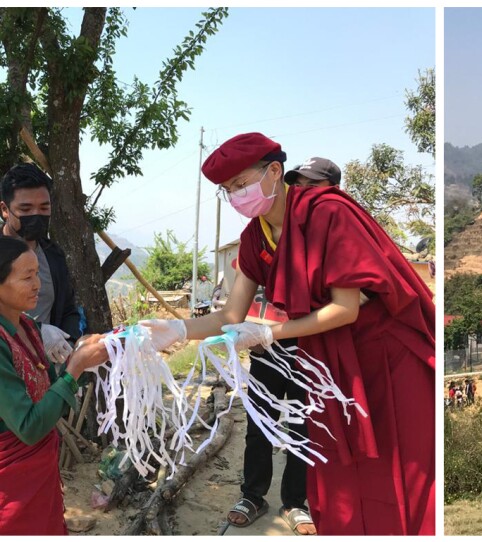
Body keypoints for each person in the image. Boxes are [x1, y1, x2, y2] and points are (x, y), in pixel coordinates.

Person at [139, 133, 435, 536]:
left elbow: (345, 309)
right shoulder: (255, 238)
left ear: (274, 172)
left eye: (241, 184)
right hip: (327, 360)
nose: (237, 196)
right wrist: (177, 329)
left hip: (383, 356)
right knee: (339, 470)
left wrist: (268, 334)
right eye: (229, 191)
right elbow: (230, 313)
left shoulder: (327, 212)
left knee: (399, 467)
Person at [0, 237, 109, 535]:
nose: (37, 284)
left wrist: (83, 355)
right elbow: (29, 425)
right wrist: (75, 368)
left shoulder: (28, 328)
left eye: (37, 273)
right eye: (26, 277)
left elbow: (50, 391)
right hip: (11, 486)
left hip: (40, 474)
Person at [1, 164, 82, 366]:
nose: (36, 215)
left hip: (48, 369)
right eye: (26, 209)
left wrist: (68, 347)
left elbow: (68, 309)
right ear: (5, 209)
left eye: (44, 208)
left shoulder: (53, 255)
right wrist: (37, 331)